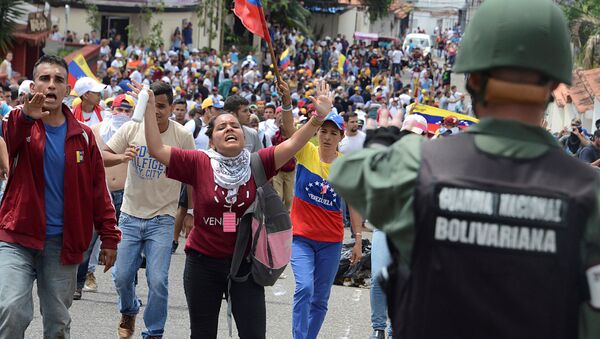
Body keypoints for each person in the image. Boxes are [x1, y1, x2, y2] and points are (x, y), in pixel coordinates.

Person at [330, 0, 600, 338]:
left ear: (472, 81)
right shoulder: (591, 193)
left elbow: (348, 172)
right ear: (554, 86)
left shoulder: (422, 166)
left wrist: (401, 139)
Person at [141, 78, 333, 339]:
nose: (229, 128)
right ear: (212, 140)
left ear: (245, 136)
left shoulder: (258, 162)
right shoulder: (198, 162)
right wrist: (149, 108)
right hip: (202, 264)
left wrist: (318, 118)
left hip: (245, 265)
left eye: (235, 125)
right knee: (202, 334)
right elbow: (155, 148)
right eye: (221, 127)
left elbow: (292, 145)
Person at [0, 55, 120, 338]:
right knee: (12, 310)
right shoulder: (16, 121)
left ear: (68, 90)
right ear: (32, 86)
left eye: (58, 80)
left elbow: (97, 191)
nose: (51, 85)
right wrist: (28, 118)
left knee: (57, 323)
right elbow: (10, 141)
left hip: (62, 244)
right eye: (44, 79)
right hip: (17, 237)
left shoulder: (85, 137)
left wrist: (109, 235)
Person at [103, 81, 195, 339]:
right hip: (130, 215)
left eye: (162, 107)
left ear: (171, 108)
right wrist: (122, 158)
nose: (156, 111)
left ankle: (154, 331)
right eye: (152, 105)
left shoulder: (182, 136)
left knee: (158, 281)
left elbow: (192, 175)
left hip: (162, 220)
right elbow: (102, 154)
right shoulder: (133, 127)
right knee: (121, 277)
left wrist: (191, 212)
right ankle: (129, 309)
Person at [277, 81, 363, 339]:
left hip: (331, 242)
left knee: (320, 300)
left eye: (333, 133)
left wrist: (357, 239)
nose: (326, 137)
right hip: (301, 238)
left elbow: (354, 204)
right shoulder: (306, 152)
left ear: (341, 137)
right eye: (323, 131)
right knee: (304, 288)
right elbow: (290, 129)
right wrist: (287, 104)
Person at [75, 94, 136, 299]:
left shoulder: (136, 133)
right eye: (119, 110)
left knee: (129, 243)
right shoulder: (95, 130)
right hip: (99, 192)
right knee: (88, 239)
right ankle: (77, 283)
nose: (122, 115)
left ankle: (129, 289)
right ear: (112, 110)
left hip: (127, 194)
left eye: (128, 111)